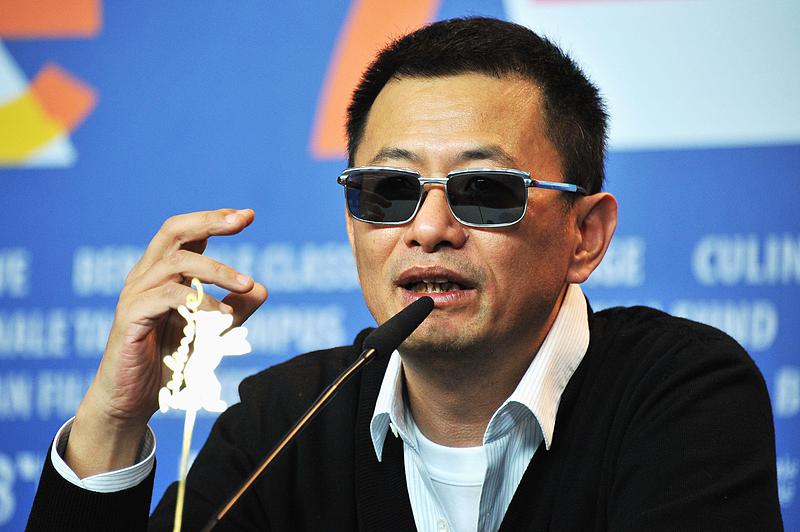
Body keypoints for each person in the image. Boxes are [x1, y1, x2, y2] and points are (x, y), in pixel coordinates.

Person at [27, 16, 782, 531]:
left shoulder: (682, 394)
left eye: (485, 190)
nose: (428, 229)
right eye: (388, 192)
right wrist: (114, 421)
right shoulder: (285, 423)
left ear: (585, 235)